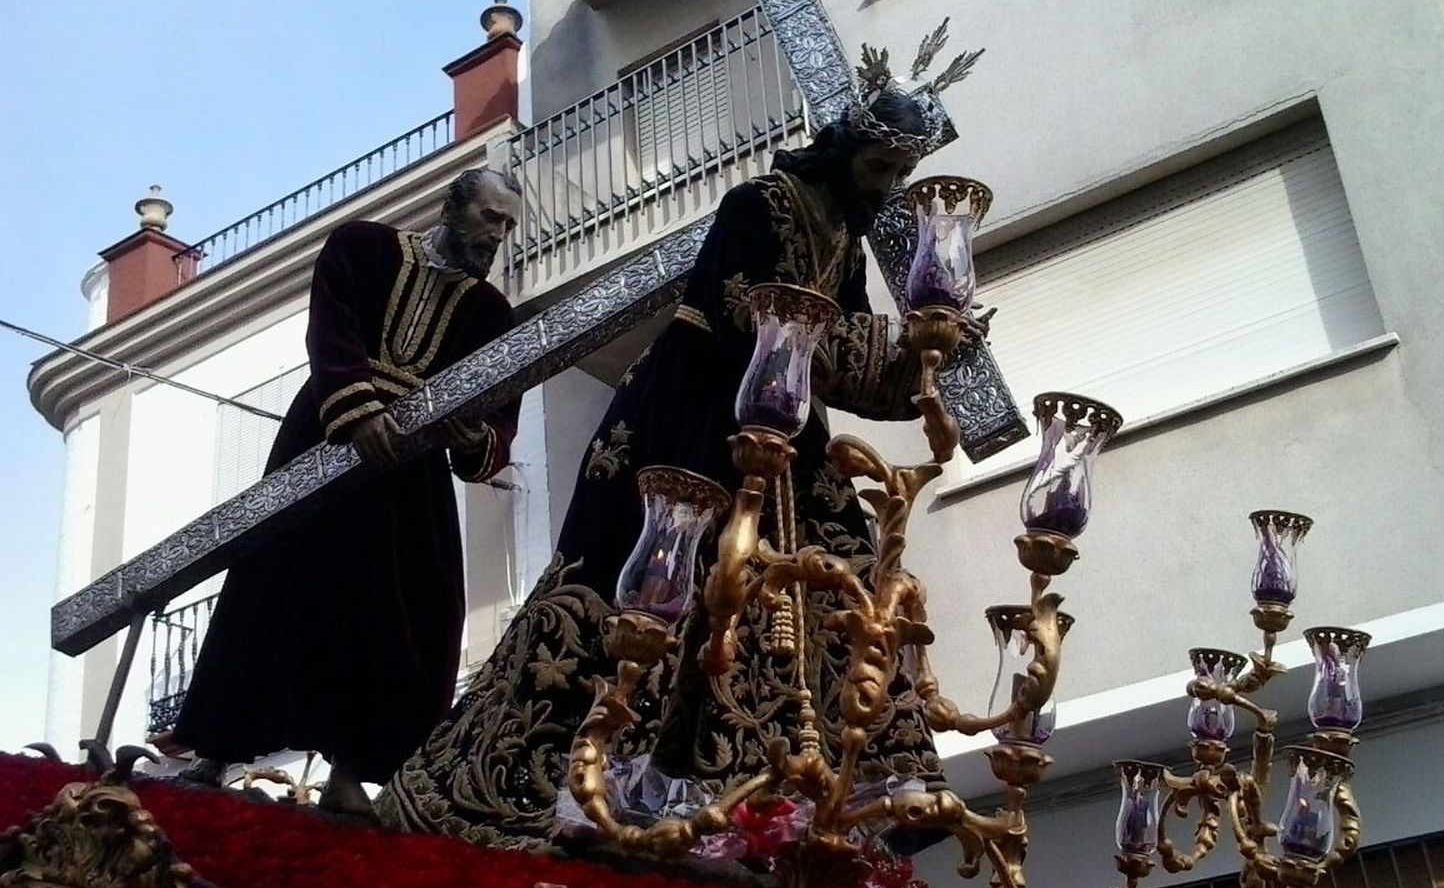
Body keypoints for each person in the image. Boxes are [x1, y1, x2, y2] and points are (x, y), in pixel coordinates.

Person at [383, 92, 970, 844]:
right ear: (843, 151)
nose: (884, 185)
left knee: (834, 582)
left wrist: (921, 355)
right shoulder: (758, 202)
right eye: (877, 165)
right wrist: (857, 346)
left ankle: (795, 787)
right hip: (693, 414)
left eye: (897, 172)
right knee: (664, 580)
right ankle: (614, 780)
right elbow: (745, 312)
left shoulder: (846, 244)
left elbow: (841, 363)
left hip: (788, 433)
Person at [172, 168, 522, 818]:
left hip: (408, 476)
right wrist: (358, 412)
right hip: (326, 441)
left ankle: (354, 773)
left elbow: (500, 418)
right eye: (490, 218)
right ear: (453, 208)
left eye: (507, 225)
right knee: (273, 585)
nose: (497, 235)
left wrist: (472, 436)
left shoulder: (491, 314)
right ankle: (213, 754)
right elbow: (330, 334)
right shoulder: (362, 247)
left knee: (408, 611)